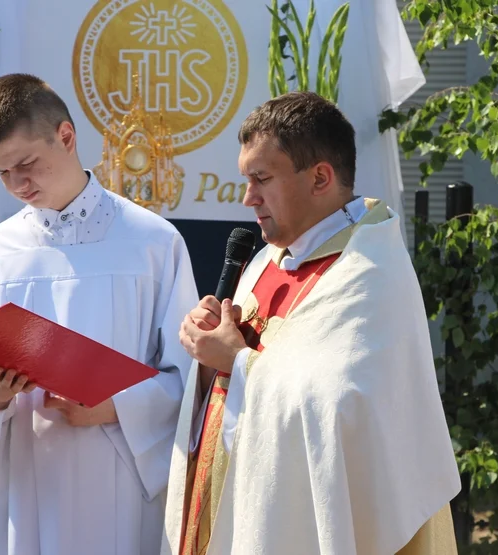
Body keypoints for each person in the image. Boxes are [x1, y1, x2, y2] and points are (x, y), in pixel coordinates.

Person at [160, 91, 461, 555]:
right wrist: (207, 358)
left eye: (261, 179)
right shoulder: (265, 262)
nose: (247, 198)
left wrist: (238, 362)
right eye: (246, 179)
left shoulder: (369, 272)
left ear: (320, 177)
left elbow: (342, 411)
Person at [0, 73, 198, 555]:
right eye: (2, 173)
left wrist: (115, 406)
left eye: (26, 164)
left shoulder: (153, 243)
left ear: (66, 137)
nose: (17, 184)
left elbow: (191, 375)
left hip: (116, 479)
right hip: (18, 482)